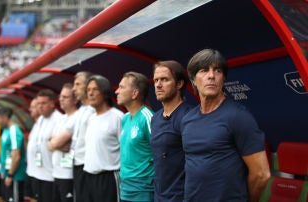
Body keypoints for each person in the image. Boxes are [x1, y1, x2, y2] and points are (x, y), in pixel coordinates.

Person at [182, 48, 270, 201]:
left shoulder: (239, 116)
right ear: (193, 80)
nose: (211, 75)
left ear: (223, 79)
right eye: (204, 70)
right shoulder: (188, 119)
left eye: (217, 71)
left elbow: (261, 174)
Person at [150, 60, 192, 202]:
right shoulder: (155, 118)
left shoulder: (189, 117)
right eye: (156, 80)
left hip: (181, 197)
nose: (158, 85)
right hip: (159, 196)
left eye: (164, 80)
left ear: (179, 84)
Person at [83, 74, 123, 202]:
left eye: (95, 89)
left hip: (108, 179)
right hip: (88, 178)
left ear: (105, 92)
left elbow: (126, 150)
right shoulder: (90, 118)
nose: (91, 93)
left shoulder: (117, 117)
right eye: (88, 90)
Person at [115, 72, 154, 202]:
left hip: (143, 190)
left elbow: (160, 153)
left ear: (135, 93)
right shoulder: (125, 118)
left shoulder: (147, 117)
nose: (116, 91)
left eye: (121, 87)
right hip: (125, 188)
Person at [26, 89, 63, 202]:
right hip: (37, 172)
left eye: (43, 103)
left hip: (51, 175)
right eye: (38, 104)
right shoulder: (41, 119)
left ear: (52, 104)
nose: (40, 107)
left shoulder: (59, 119)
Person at [47, 83, 78, 202]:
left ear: (75, 100)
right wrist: (56, 144)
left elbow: (54, 143)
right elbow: (50, 143)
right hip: (56, 173)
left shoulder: (77, 117)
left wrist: (55, 143)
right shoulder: (61, 119)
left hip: (69, 175)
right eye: (60, 96)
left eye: (65, 97)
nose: (61, 99)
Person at [71, 71, 95, 202]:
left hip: (87, 167)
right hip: (77, 164)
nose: (74, 89)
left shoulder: (94, 111)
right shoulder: (80, 110)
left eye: (77, 84)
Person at [0, 106, 26, 202]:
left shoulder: (14, 131)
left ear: (4, 117)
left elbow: (16, 156)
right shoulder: (5, 130)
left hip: (15, 175)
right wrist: (2, 171)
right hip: (6, 172)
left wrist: (10, 175)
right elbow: (5, 152)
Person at [24, 98, 39, 202]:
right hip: (31, 170)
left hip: (41, 172)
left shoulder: (48, 123)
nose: (30, 109)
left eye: (33, 107)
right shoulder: (35, 125)